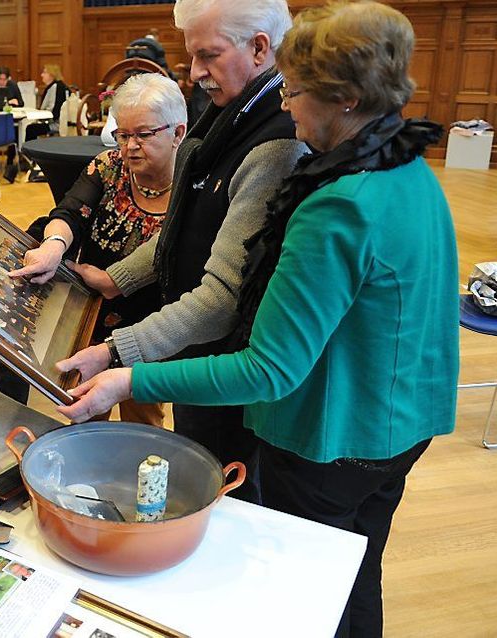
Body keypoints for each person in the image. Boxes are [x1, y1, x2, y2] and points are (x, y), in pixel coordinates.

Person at [58, 2, 456, 636]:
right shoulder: (404, 166)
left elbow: (269, 368)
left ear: (346, 99)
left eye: (295, 92)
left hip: (338, 436)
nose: (288, 106)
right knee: (355, 577)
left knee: (307, 593)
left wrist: (127, 379)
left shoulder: (338, 206)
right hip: (401, 422)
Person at [54, 0, 306, 502]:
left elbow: (220, 298)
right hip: (199, 355)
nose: (195, 74)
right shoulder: (229, 115)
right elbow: (185, 233)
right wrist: (115, 278)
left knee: (222, 491)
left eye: (208, 56)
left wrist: (115, 352)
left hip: (227, 368)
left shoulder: (275, 145)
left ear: (260, 47)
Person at [9, 73, 187, 426]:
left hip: (151, 326)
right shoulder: (108, 166)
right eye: (123, 134)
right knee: (85, 415)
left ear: (177, 133)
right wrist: (53, 245)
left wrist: (111, 279)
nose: (130, 146)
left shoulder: (193, 184)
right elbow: (69, 212)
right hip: (91, 315)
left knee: (144, 422)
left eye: (143, 134)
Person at [24, 64, 68, 143]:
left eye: (44, 73)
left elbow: (53, 110)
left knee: (31, 128)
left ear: (51, 75)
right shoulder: (55, 86)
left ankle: (30, 153)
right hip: (57, 121)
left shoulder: (55, 87)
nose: (42, 75)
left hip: (57, 124)